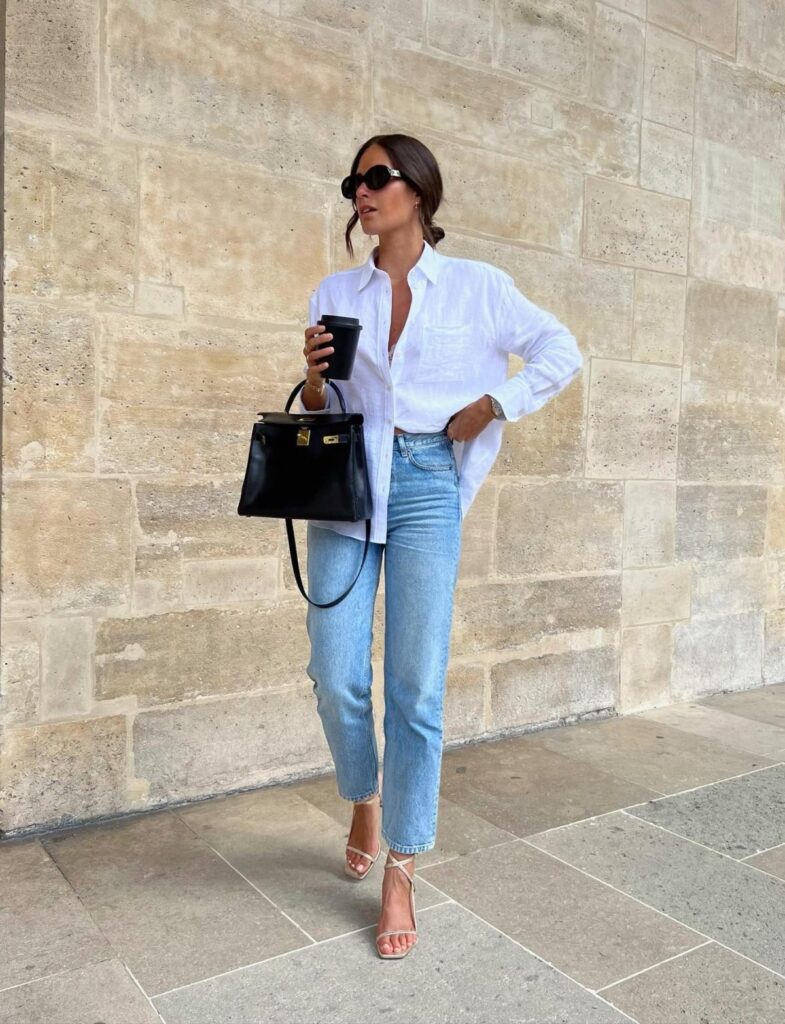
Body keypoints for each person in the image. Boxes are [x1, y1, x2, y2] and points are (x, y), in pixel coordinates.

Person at [297, 134, 583, 959]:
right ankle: (364, 795)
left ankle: (402, 865)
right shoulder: (335, 290)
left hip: (427, 482)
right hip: (348, 485)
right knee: (336, 673)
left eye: (376, 177)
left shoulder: (477, 287)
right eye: (353, 181)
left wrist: (493, 403)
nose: (361, 191)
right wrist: (312, 381)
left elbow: (561, 351)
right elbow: (324, 410)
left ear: (417, 190)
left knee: (415, 688)